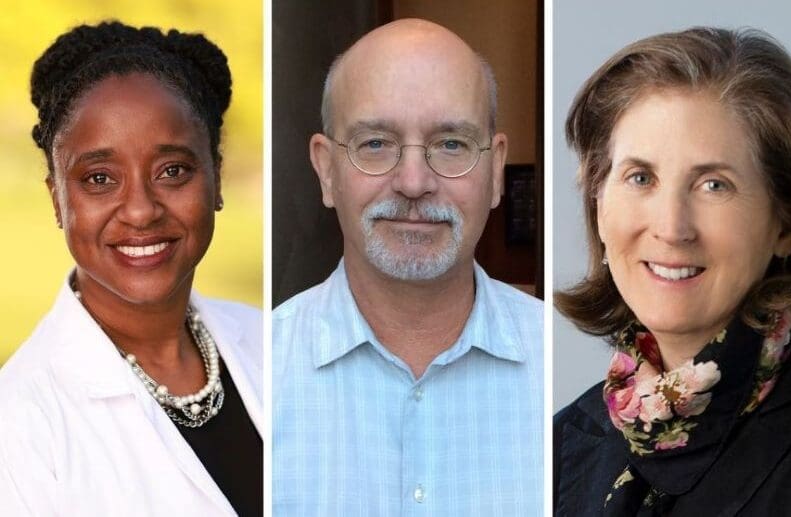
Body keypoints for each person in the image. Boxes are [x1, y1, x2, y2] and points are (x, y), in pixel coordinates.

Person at [272, 19, 543, 515]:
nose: (414, 182)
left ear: (496, 169)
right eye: (375, 143)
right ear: (326, 170)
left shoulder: (567, 373)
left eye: (451, 144)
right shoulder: (257, 378)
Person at [554, 27, 791, 516]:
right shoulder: (560, 445)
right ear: (598, 206)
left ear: (789, 221)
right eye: (640, 177)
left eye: (714, 185)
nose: (672, 227)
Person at [0, 21, 262, 516]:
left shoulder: (269, 342)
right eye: (100, 178)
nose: (141, 210)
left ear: (216, 179)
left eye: (172, 171)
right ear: (58, 199)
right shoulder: (20, 426)